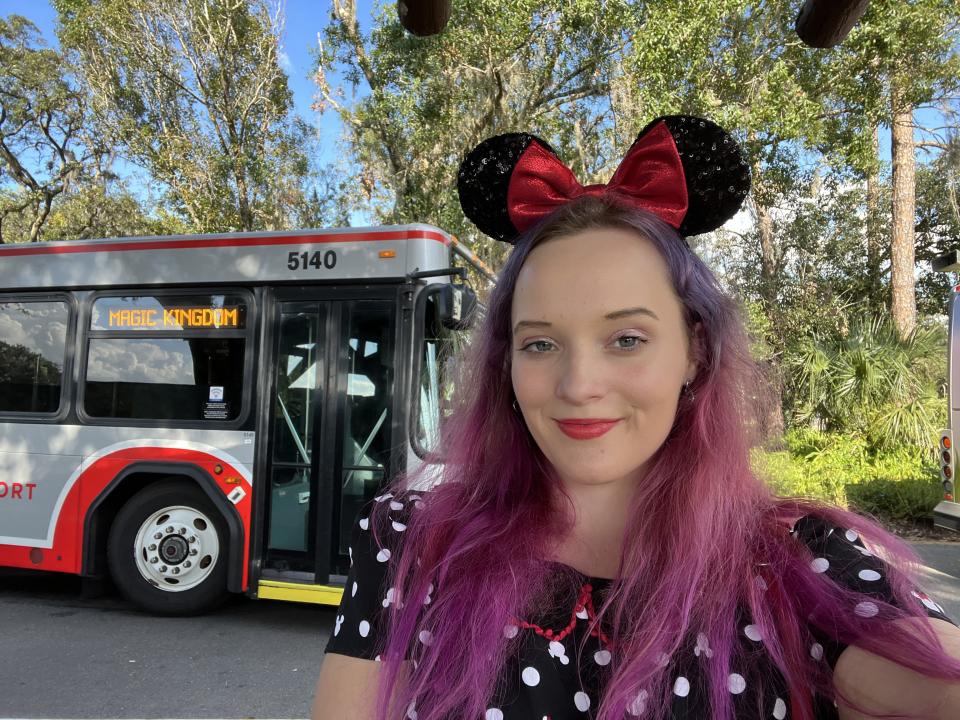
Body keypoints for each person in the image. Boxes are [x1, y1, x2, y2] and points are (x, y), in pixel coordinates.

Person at [313, 116, 960, 720]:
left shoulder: (800, 568)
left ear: (694, 352)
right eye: (540, 343)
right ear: (505, 363)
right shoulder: (408, 545)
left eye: (626, 339)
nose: (579, 385)